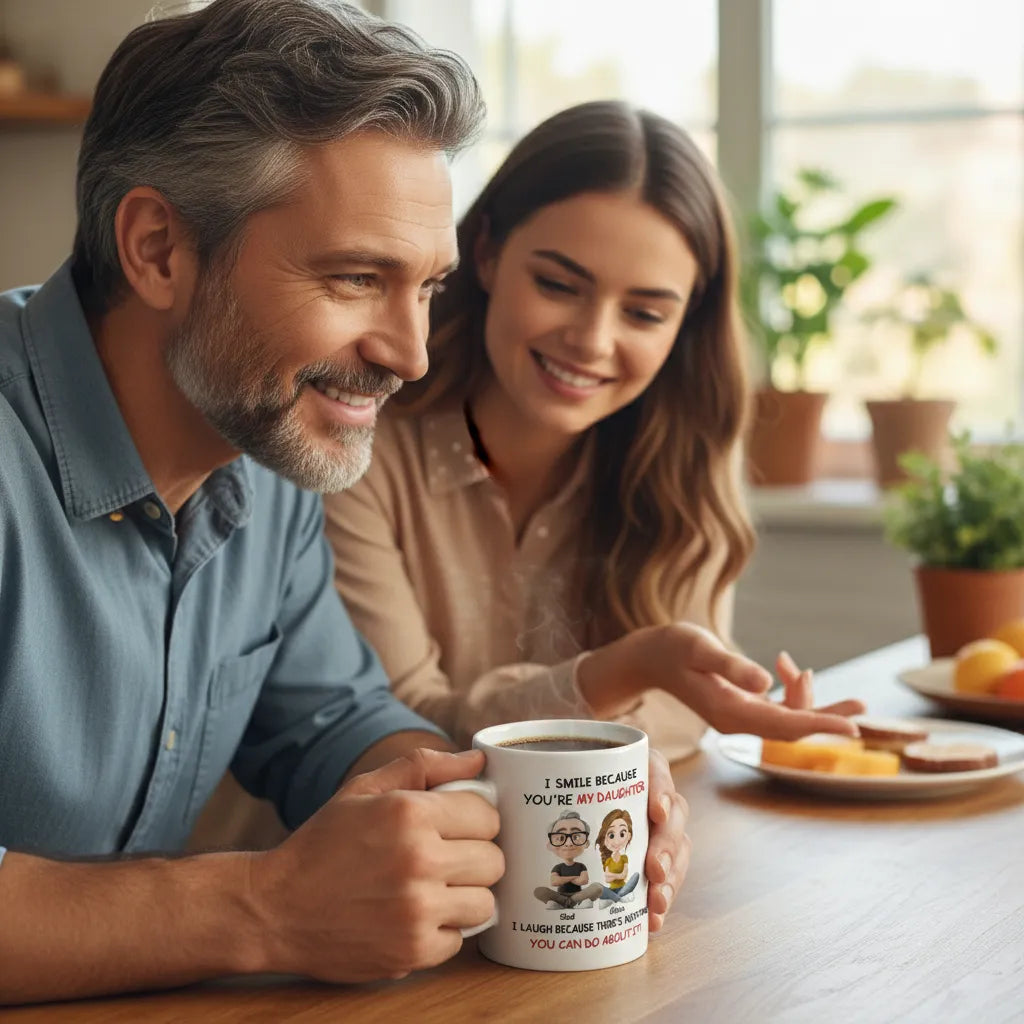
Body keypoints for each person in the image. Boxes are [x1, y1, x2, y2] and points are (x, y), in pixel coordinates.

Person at [0, 3, 694, 1005]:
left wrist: (529, 802)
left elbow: (333, 724)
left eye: (426, 287)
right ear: (157, 248)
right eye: (358, 277)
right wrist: (266, 907)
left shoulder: (263, 454)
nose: (411, 353)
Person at [324, 101, 864, 759]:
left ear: (684, 326)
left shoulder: (678, 463)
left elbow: (681, 719)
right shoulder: (357, 443)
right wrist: (629, 671)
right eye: (558, 284)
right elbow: (404, 733)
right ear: (488, 254)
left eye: (643, 313)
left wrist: (664, 687)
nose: (592, 341)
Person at [533, 812, 603, 910]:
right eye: (560, 838)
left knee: (598, 887)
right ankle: (573, 903)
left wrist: (563, 879)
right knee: (539, 891)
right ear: (550, 844)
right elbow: (554, 882)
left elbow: (583, 880)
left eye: (576, 837)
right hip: (560, 895)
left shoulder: (581, 866)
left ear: (586, 843)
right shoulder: (558, 867)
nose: (569, 843)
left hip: (578, 894)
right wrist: (574, 877)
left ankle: (564, 904)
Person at [595, 809, 640, 908]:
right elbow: (607, 878)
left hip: (623, 887)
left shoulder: (624, 858)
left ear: (628, 836)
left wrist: (614, 876)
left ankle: (614, 898)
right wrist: (618, 875)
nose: (617, 841)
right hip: (612, 889)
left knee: (636, 876)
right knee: (597, 887)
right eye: (611, 835)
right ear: (605, 839)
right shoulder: (608, 861)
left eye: (622, 834)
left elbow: (624, 875)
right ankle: (619, 898)